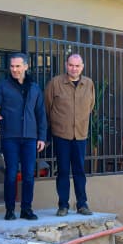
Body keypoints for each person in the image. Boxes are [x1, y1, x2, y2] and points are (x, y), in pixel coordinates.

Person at [0, 52, 47, 221]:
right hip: (10, 136)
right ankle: (10, 210)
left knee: (29, 174)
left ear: (26, 66)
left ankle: (26, 209)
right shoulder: (3, 86)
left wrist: (42, 137)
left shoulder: (35, 88)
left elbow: (41, 114)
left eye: (18, 66)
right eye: (12, 66)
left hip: (30, 137)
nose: (14, 69)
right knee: (11, 174)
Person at [44, 53, 95, 216]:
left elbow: (90, 106)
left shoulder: (88, 84)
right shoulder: (55, 83)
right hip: (61, 134)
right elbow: (47, 107)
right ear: (66, 65)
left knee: (79, 171)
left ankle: (82, 204)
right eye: (71, 65)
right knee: (63, 171)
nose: (74, 68)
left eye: (77, 66)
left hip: (80, 134)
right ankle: (63, 205)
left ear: (82, 67)